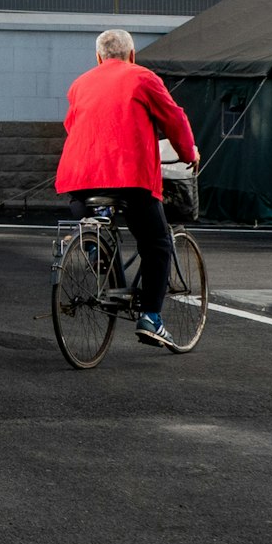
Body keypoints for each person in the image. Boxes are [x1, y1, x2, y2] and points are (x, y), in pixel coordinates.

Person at [55, 28, 200, 349]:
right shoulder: (143, 78)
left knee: (91, 222)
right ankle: (151, 318)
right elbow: (175, 119)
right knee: (157, 243)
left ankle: (94, 247)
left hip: (79, 181)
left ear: (98, 57)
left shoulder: (79, 84)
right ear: (132, 55)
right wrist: (190, 154)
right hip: (128, 178)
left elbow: (71, 125)